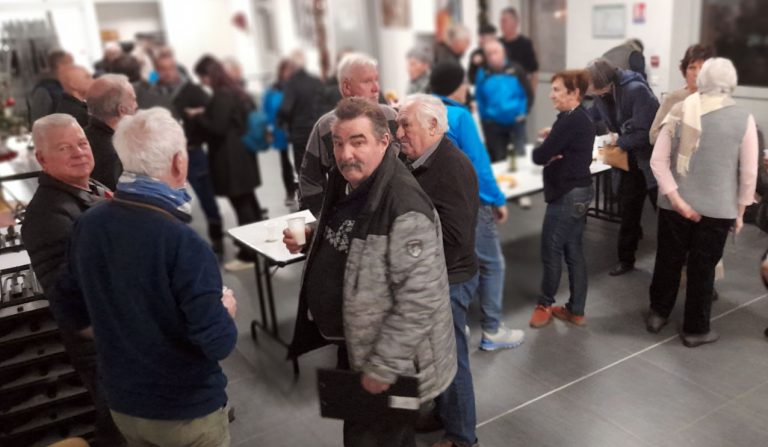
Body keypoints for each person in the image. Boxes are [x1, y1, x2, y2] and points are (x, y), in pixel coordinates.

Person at [54, 108, 239, 446]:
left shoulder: (88, 224)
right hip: (185, 412)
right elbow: (219, 343)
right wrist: (224, 310)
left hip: (123, 405)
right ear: (179, 162)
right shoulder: (184, 244)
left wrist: (123, 331)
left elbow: (68, 306)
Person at [286, 97, 456, 446]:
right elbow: (353, 233)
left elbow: (419, 300)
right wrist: (312, 237)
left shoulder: (405, 208)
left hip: (390, 362)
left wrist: (383, 367)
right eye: (338, 143)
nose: (345, 153)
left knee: (373, 439)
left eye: (357, 141)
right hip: (356, 344)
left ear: (384, 141)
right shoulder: (346, 182)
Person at [21, 114, 125, 446]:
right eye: (64, 148)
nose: (79, 152)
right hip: (105, 346)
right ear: (42, 159)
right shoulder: (48, 216)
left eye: (81, 143)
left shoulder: (92, 186)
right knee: (120, 427)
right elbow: (70, 298)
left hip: (124, 333)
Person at [648, 58, 757, 347]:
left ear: (702, 79)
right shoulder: (743, 119)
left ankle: (658, 314)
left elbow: (658, 161)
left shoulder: (679, 110)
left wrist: (676, 198)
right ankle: (696, 330)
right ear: (732, 83)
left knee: (667, 261)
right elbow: (749, 172)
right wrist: (741, 211)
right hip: (718, 209)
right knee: (703, 268)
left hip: (673, 207)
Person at [397, 94, 479, 447]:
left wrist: (410, 258)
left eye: (406, 125)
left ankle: (462, 437)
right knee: (434, 357)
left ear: (433, 126)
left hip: (450, 279)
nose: (399, 133)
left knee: (450, 359)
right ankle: (445, 413)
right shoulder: (421, 161)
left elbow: (455, 238)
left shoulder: (451, 167)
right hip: (437, 276)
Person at [429, 62, 525, 350]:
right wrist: (497, 199)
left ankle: (455, 324)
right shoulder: (459, 116)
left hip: (436, 207)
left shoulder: (424, 114)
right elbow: (478, 166)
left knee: (449, 265)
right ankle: (492, 330)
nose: (466, 88)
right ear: (456, 86)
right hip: (471, 204)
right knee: (492, 263)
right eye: (463, 83)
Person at [528, 70, 596, 328]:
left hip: (567, 195)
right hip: (580, 192)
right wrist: (555, 145)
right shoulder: (579, 117)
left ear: (574, 93)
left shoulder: (570, 121)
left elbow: (539, 156)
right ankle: (576, 310)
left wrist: (550, 149)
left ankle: (544, 304)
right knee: (573, 251)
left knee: (551, 249)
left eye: (556, 89)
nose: (551, 94)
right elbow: (555, 150)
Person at [299, 52, 398, 215]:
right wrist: (321, 219)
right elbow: (310, 180)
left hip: (392, 212)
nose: (376, 88)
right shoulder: (326, 127)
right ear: (346, 87)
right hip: (348, 215)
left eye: (376, 80)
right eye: (367, 81)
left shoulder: (392, 117)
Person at [586, 57, 660, 276]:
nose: (589, 90)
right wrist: (564, 125)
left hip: (649, 162)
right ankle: (626, 259)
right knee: (628, 212)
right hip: (627, 161)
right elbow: (591, 116)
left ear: (604, 83)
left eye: (592, 86)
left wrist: (620, 141)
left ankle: (678, 260)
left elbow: (647, 134)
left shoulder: (636, 90)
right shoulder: (602, 94)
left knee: (664, 213)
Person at [192, 55, 263, 271]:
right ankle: (258, 245)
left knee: (241, 204)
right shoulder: (233, 90)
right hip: (241, 153)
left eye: (202, 77)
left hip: (231, 158)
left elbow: (218, 127)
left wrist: (198, 117)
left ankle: (248, 254)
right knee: (249, 201)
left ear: (209, 75)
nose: (202, 82)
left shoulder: (222, 94)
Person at [154, 49, 224, 254]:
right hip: (167, 156)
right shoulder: (154, 93)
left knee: (206, 197)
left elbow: (212, 113)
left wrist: (200, 118)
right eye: (163, 69)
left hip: (193, 153)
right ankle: (175, 242)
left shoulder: (193, 90)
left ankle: (217, 237)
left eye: (171, 68)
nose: (168, 72)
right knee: (169, 199)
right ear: (157, 70)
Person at [475, 39, 531, 163]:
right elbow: (480, 98)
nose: (492, 57)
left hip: (516, 122)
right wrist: (486, 120)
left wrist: (523, 112)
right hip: (494, 125)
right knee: (499, 161)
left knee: (519, 159)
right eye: (489, 54)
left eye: (495, 52)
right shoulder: (482, 73)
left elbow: (528, 93)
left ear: (503, 52)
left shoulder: (516, 70)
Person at [650, 44, 716, 144]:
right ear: (685, 71)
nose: (697, 73)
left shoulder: (716, 100)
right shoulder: (673, 98)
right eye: (692, 68)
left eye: (702, 68)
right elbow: (653, 135)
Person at [84, 74, 138, 190]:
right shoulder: (115, 155)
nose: (136, 105)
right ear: (122, 110)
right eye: (133, 100)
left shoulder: (82, 137)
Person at [278, 52, 324, 178]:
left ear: (292, 66)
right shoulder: (316, 81)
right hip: (316, 129)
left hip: (299, 132)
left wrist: (281, 122)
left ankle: (306, 189)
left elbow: (286, 109)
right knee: (318, 164)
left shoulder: (292, 84)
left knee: (303, 167)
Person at [263, 59, 298, 206]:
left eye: (292, 70)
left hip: (298, 131)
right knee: (285, 163)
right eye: (286, 70)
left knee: (301, 162)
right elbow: (266, 111)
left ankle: (301, 191)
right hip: (281, 132)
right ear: (281, 71)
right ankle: (290, 192)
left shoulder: (298, 87)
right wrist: (269, 129)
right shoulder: (273, 90)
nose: (289, 73)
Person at [27, 49, 73, 126]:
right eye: (70, 63)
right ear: (60, 65)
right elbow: (38, 123)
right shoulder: (44, 90)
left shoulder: (66, 86)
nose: (74, 67)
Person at [499, 7, 539, 92]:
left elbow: (534, 73)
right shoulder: (497, 44)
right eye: (501, 21)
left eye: (504, 21)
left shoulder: (525, 44)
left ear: (515, 23)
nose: (501, 24)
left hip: (519, 92)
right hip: (500, 92)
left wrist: (530, 95)